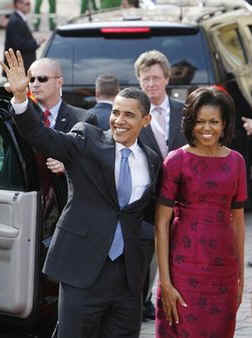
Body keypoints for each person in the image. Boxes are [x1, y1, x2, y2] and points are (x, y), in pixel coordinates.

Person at [2, 48, 161, 338]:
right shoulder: (87, 140)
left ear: (145, 121)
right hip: (82, 271)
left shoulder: (151, 159)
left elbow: (151, 211)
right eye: (115, 112)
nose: (119, 120)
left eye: (129, 115)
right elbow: (42, 136)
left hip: (127, 278)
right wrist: (22, 99)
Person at [155, 86, 247, 337]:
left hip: (223, 269)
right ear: (190, 123)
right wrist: (165, 281)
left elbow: (238, 222)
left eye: (214, 122)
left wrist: (240, 277)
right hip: (183, 265)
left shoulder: (236, 162)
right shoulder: (176, 161)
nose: (207, 128)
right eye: (200, 121)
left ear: (225, 123)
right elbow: (161, 223)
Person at [135, 49, 187, 321]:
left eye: (156, 78)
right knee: (148, 253)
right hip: (148, 199)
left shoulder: (184, 111)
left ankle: (179, 295)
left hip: (182, 198)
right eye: (145, 79)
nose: (151, 84)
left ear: (167, 78)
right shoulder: (136, 113)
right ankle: (145, 301)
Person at [27, 57, 97, 212]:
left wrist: (68, 167)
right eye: (31, 79)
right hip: (26, 206)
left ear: (59, 82)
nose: (35, 84)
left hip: (68, 210)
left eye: (42, 78)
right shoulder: (22, 118)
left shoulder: (83, 119)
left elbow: (93, 164)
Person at [4, 0, 45, 73]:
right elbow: (19, 45)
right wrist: (36, 42)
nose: (29, 6)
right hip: (18, 71)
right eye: (27, 4)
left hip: (21, 69)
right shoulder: (15, 21)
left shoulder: (18, 19)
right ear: (18, 4)